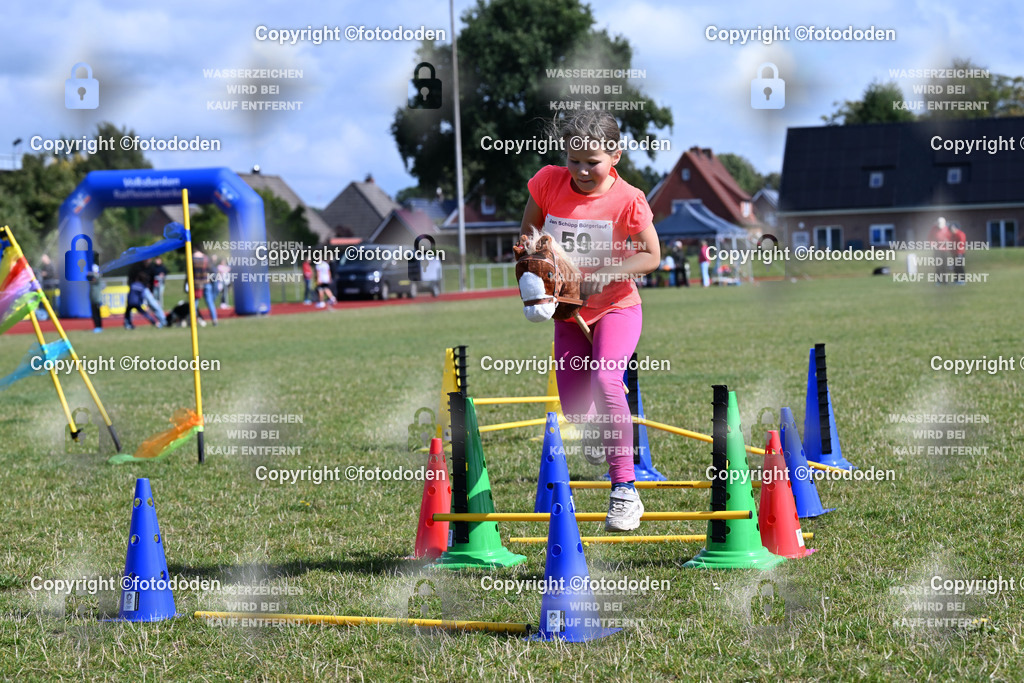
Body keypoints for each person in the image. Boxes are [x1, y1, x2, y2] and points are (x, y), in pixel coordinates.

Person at [520, 111, 660, 532]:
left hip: (616, 308)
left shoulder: (629, 199)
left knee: (605, 380)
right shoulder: (547, 180)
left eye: (592, 162)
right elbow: (529, 229)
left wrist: (604, 276)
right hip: (568, 310)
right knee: (577, 410)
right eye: (574, 159)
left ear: (614, 156)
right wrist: (535, 270)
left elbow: (651, 255)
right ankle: (604, 434)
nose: (581, 170)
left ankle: (625, 492)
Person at [190, 249, 218, 325]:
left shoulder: (191, 258)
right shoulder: (206, 258)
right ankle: (214, 320)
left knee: (194, 303)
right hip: (206, 282)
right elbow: (212, 270)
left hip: (196, 283)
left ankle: (192, 321)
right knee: (210, 302)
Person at [927, 217, 952, 283]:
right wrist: (932, 244)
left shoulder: (947, 229)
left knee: (945, 266)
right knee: (938, 266)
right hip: (937, 250)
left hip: (945, 250)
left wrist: (948, 243)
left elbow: (950, 238)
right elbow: (930, 238)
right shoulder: (934, 228)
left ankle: (945, 281)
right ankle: (938, 280)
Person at [86, 253, 103, 333]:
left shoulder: (97, 279)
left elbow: (95, 278)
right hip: (93, 298)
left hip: (97, 298)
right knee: (94, 314)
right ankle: (97, 326)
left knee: (97, 313)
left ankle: (99, 326)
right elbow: (87, 277)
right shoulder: (92, 281)